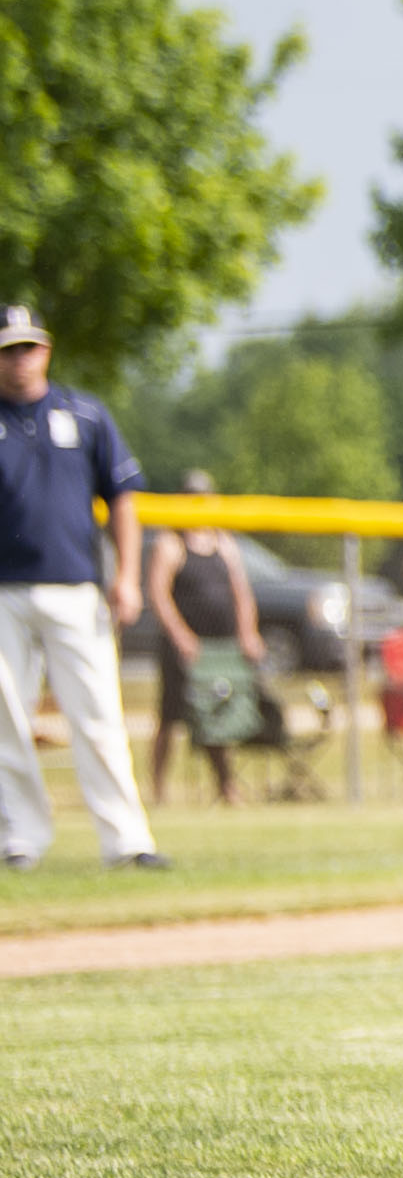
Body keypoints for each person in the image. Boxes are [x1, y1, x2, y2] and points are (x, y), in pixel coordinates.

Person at [0, 303, 168, 870]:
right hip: (4, 591)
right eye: (7, 349)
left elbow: (123, 496)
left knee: (98, 714)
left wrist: (127, 574)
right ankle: (18, 837)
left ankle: (127, 841)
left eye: (27, 347)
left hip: (76, 586)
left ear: (45, 349)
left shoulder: (86, 413)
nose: (18, 359)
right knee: (7, 719)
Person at [148, 469, 270, 806]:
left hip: (221, 646)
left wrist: (248, 633)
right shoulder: (171, 541)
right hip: (186, 647)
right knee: (169, 718)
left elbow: (242, 594)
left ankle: (226, 787)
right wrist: (180, 635)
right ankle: (157, 790)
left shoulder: (223, 541)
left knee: (220, 715)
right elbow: (159, 594)